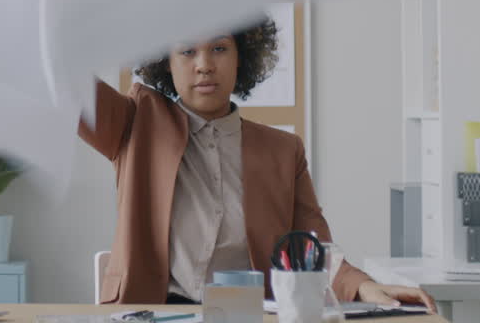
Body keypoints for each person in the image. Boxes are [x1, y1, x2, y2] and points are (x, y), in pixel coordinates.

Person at [79, 16, 436, 310]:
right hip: (154, 313)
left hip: (248, 315)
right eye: (187, 51)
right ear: (166, 63)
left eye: (219, 49)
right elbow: (68, 92)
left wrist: (364, 287)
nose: (204, 65)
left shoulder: (283, 150)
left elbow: (312, 247)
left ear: (241, 58)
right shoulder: (136, 122)